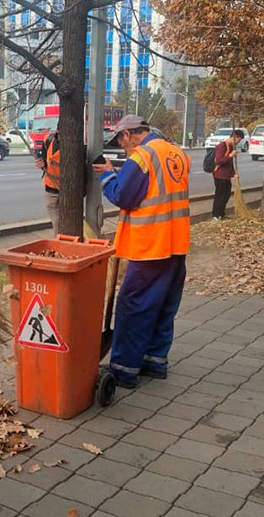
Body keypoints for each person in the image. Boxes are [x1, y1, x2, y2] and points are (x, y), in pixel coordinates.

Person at [93, 115, 190, 389]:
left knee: (133, 306)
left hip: (151, 245)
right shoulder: (176, 153)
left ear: (128, 135)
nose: (122, 147)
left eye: (120, 141)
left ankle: (124, 369)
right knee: (163, 304)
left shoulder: (142, 156)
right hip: (176, 243)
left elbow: (123, 196)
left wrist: (108, 174)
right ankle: (155, 361)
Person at [211, 129, 244, 220]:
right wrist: (230, 155)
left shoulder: (231, 147)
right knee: (220, 195)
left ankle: (221, 213)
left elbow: (230, 164)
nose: (238, 142)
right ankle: (216, 215)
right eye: (239, 140)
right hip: (220, 175)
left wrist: (233, 174)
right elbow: (219, 161)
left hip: (226, 176)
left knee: (226, 195)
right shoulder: (222, 146)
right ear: (235, 137)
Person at [35, 123, 62, 232]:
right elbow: (44, 159)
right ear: (57, 131)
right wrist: (41, 163)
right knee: (56, 220)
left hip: (69, 191)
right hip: (51, 187)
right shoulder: (49, 140)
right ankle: (59, 238)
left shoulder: (77, 144)